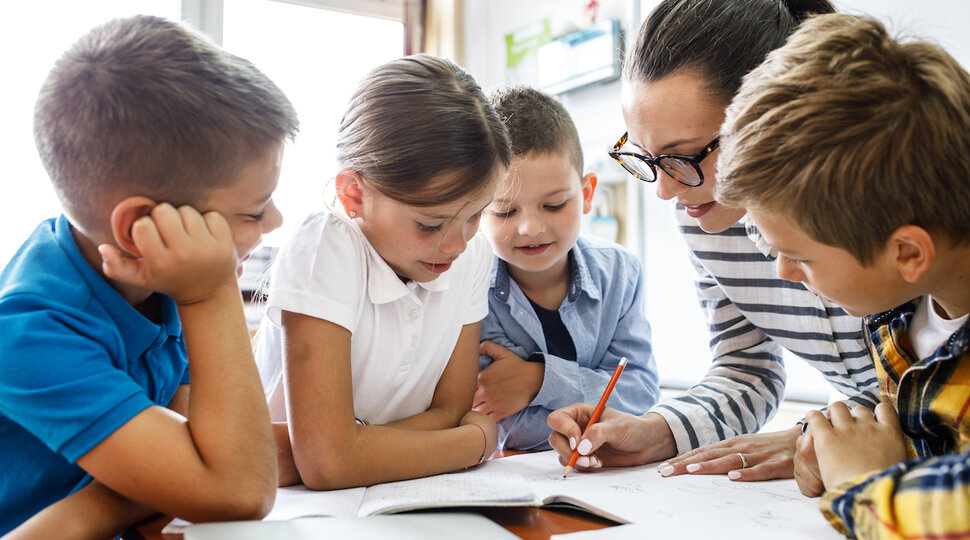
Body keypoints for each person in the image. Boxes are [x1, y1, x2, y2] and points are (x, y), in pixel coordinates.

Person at [547, 0, 880, 480]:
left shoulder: (891, 201)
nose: (665, 191)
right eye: (645, 157)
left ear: (770, 116)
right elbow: (747, 368)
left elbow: (938, 378)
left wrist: (815, 432)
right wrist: (654, 431)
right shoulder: (705, 214)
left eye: (682, 157)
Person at [0, 15, 298, 538]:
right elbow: (241, 489)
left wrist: (106, 504)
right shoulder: (29, 332)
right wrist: (210, 296)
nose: (275, 222)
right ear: (141, 228)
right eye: (253, 212)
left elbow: (209, 459)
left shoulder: (158, 283)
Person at [716, 13, 970, 538]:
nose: (784, 271)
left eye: (800, 257)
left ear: (906, 253)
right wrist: (838, 449)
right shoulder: (898, 314)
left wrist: (860, 480)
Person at [255, 55, 511, 490]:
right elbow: (328, 464)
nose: (456, 244)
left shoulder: (473, 255)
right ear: (354, 194)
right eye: (429, 224)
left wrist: (343, 447)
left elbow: (449, 411)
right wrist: (474, 443)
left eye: (476, 216)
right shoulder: (327, 246)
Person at [474, 86, 659, 451]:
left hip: (609, 473)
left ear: (587, 193)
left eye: (554, 205)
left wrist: (540, 381)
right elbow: (499, 421)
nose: (530, 228)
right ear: (476, 208)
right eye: (506, 211)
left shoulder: (621, 273)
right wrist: (594, 405)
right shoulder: (472, 287)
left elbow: (640, 393)